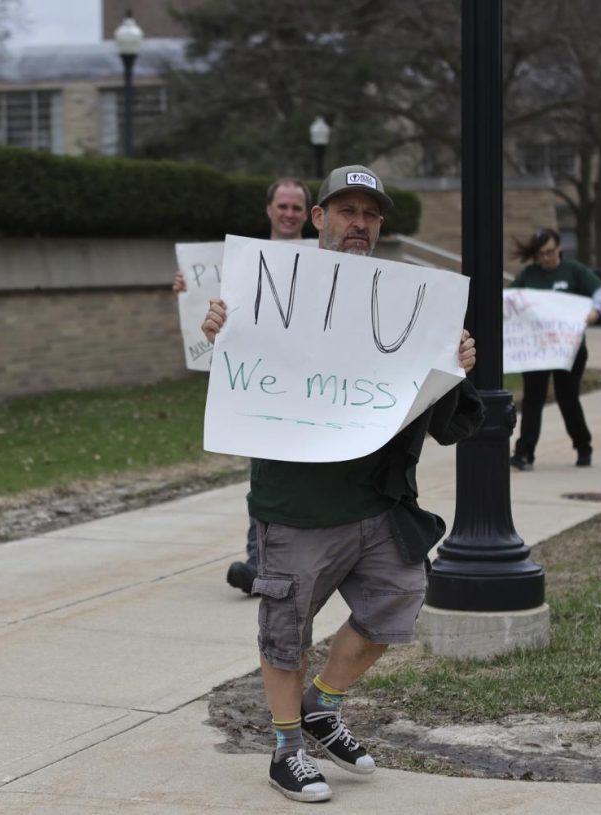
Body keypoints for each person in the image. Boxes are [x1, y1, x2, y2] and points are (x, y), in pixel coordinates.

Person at [201, 165, 484, 803]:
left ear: (380, 226)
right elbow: (238, 374)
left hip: (376, 502)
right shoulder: (270, 290)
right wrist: (220, 334)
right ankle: (286, 748)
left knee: (397, 602)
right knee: (285, 631)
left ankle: (322, 706)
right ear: (319, 218)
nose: (359, 223)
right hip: (296, 503)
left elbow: (444, 416)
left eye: (371, 213)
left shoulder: (410, 300)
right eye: (346, 210)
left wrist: (455, 366)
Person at [174, 178, 312, 595]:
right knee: (264, 477)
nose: (289, 214)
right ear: (268, 209)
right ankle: (259, 562)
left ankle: (302, 561)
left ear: (309, 215)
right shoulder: (241, 262)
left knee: (310, 477)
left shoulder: (322, 259)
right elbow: (213, 310)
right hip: (260, 385)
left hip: (311, 388)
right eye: (283, 206)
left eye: (297, 208)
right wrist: (189, 292)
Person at [508, 227, 601, 470]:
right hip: (537, 350)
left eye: (550, 252)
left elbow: (599, 290)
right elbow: (511, 300)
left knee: (567, 397)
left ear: (559, 248)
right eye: (541, 254)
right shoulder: (529, 275)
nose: (545, 258)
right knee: (533, 399)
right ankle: (524, 453)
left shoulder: (574, 271)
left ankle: (583, 445)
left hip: (568, 350)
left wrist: (595, 311)